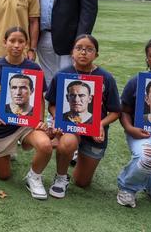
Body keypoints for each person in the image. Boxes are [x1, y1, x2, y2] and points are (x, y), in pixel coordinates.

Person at [46, 34, 121, 198]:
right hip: (69, 129)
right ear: (72, 52)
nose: (83, 52)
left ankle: (77, 156)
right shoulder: (62, 75)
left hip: (94, 134)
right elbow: (51, 104)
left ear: (96, 54)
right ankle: (61, 177)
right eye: (79, 48)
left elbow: (116, 111)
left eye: (89, 49)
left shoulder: (106, 78)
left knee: (81, 182)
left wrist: (100, 124)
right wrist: (57, 118)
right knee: (67, 142)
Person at [0, 26, 51, 200]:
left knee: (45, 145)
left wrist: (40, 120)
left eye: (21, 41)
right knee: (4, 176)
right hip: (2, 126)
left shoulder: (34, 68)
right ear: (4, 42)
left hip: (26, 125)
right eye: (12, 41)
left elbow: (41, 98)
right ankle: (8, 150)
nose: (16, 45)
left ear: (26, 44)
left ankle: (34, 177)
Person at [117, 37, 151, 208]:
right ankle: (127, 187)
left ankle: (150, 181)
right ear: (147, 59)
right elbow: (124, 110)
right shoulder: (136, 82)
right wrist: (130, 128)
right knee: (149, 155)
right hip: (143, 133)